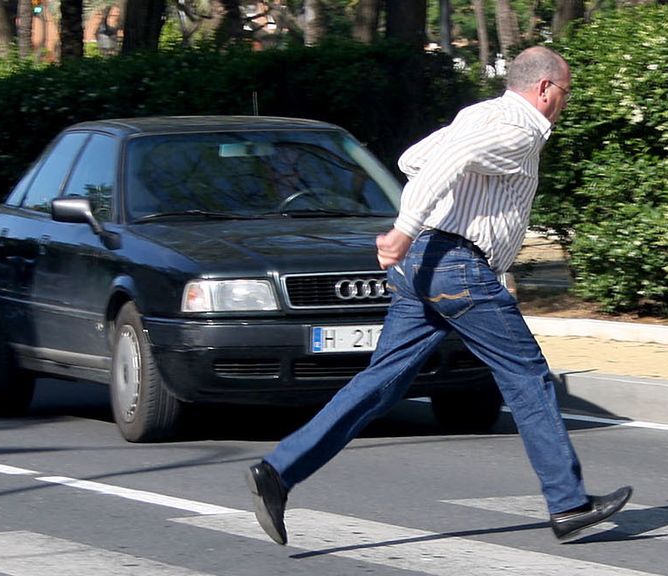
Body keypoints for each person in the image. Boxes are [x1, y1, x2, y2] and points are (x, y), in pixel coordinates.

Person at [246, 46, 633, 545]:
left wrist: (417, 229)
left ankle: (279, 471)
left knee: (381, 383)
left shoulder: (480, 114)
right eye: (566, 93)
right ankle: (568, 503)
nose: (565, 103)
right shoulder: (520, 129)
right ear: (544, 89)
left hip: (425, 266)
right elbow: (449, 158)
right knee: (528, 378)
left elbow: (414, 158)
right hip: (458, 267)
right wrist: (403, 230)